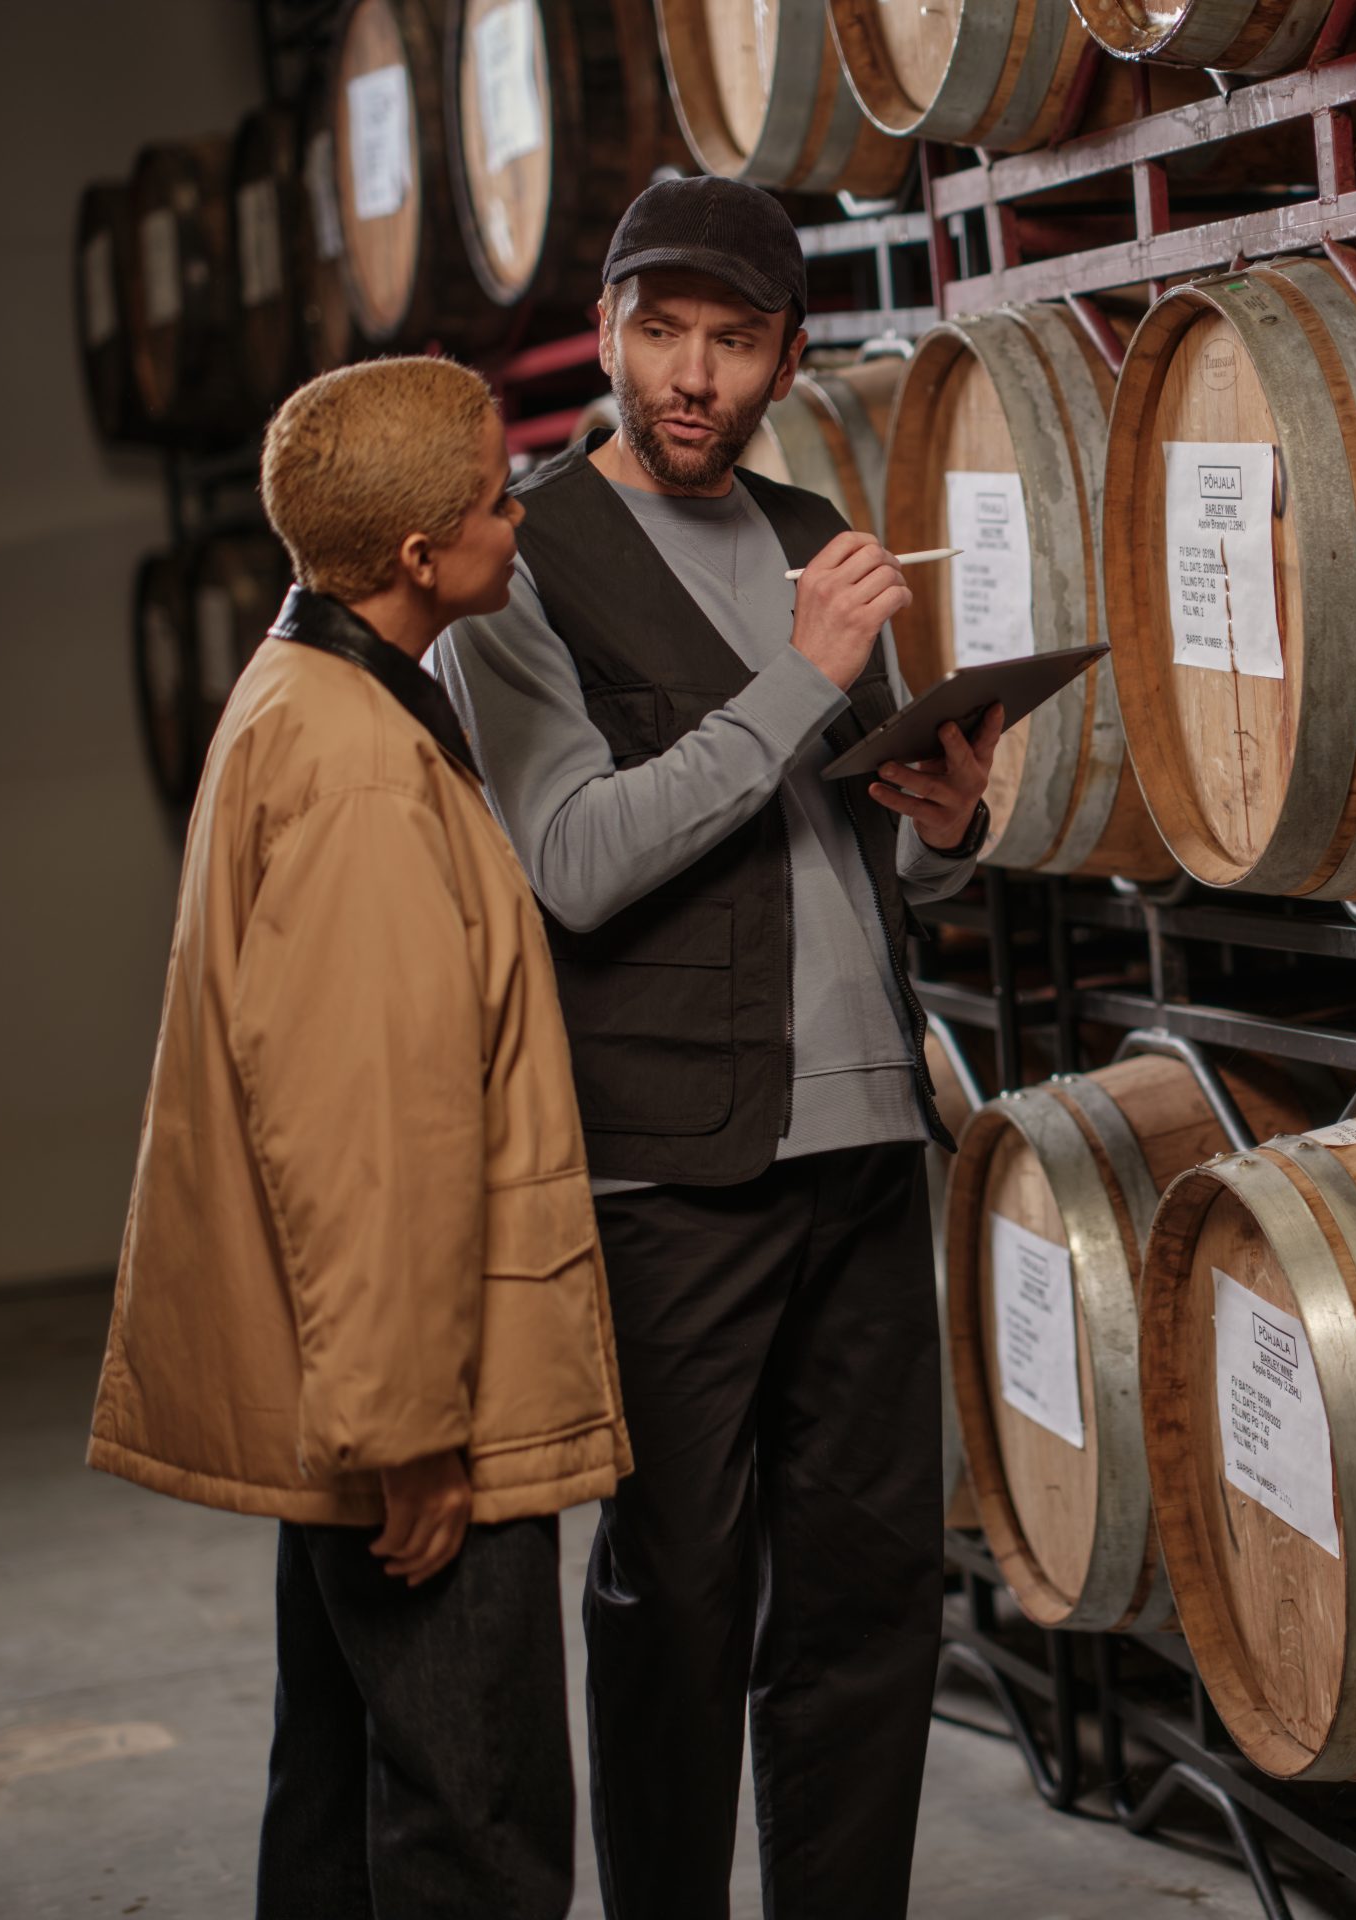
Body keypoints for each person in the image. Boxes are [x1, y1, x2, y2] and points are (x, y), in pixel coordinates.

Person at [432, 176, 1001, 1920]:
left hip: (861, 1137)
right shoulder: (524, 566)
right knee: (678, 1598)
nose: (690, 374)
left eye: (731, 341)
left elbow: (848, 853)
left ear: (785, 357)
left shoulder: (812, 520)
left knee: (866, 1595)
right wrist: (795, 677)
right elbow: (578, 862)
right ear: (603, 334)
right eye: (658, 333)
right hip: (672, 1163)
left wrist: (950, 822)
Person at [88, 355, 633, 1920]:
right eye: (489, 496)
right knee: (478, 1822)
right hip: (411, 1412)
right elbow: (370, 1132)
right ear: (416, 560)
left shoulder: (311, 694)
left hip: (358, 1387)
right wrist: (407, 1433)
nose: (514, 515)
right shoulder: (355, 772)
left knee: (336, 1805)